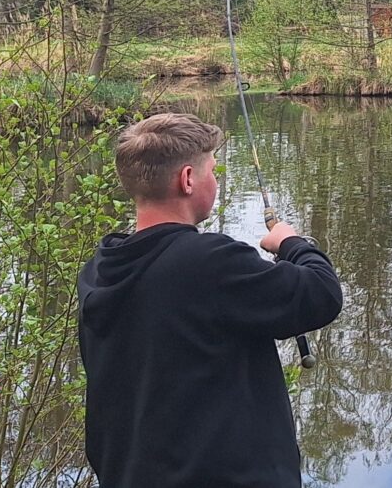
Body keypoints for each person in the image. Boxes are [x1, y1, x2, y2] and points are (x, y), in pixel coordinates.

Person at [77, 112, 343, 488]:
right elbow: (321, 294)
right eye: (213, 171)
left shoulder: (99, 270)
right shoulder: (208, 262)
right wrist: (292, 243)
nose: (215, 181)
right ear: (188, 179)